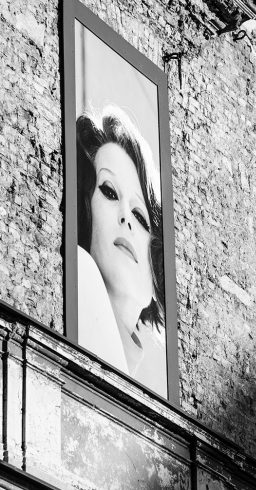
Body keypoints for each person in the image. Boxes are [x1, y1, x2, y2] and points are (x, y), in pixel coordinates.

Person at [76, 106, 166, 396]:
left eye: (140, 216)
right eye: (110, 192)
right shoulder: (81, 268)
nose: (126, 217)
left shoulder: (130, 362)